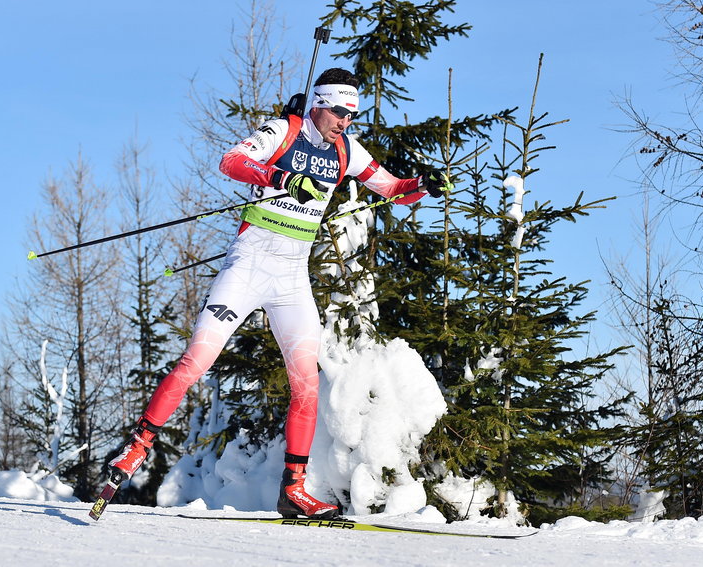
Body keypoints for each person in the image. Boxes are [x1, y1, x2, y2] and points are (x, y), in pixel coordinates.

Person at [109, 67, 453, 519]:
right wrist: (282, 177)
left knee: (306, 384)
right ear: (319, 104)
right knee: (197, 359)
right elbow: (231, 161)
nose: (344, 122)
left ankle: (293, 489)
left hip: (291, 277)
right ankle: (135, 449)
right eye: (338, 113)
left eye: (352, 115)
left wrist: (422, 186)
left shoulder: (346, 149)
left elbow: (390, 189)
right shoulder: (283, 131)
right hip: (249, 265)